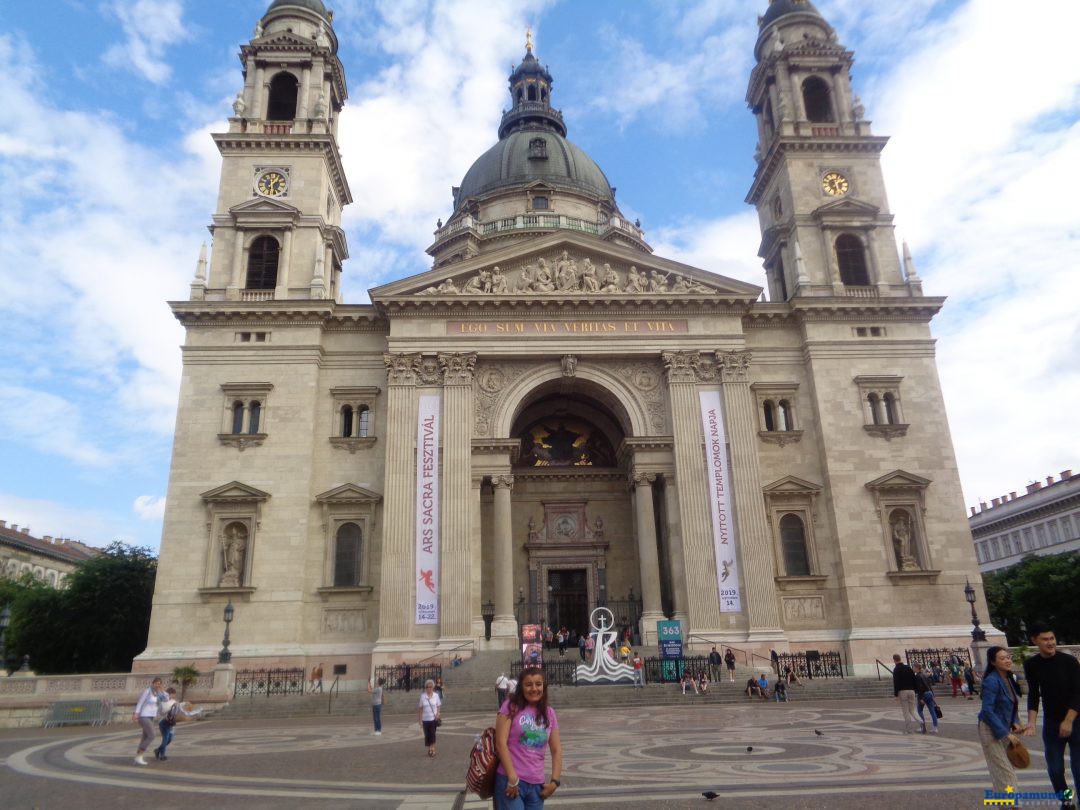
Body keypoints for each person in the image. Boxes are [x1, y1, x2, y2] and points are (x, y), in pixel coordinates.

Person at [1023, 623, 1080, 803]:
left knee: (1079, 768)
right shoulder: (1032, 665)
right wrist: (1031, 722)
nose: (1050, 643)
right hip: (1052, 722)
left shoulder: (1069, 661)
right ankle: (1066, 800)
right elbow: (1033, 694)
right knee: (1055, 769)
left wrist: (1069, 721)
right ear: (1034, 640)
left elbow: (1079, 693)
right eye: (1045, 639)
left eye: (1052, 638)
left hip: (1076, 720)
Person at [495, 666, 562, 809]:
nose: (534, 689)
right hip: (511, 780)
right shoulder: (510, 706)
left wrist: (555, 782)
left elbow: (556, 749)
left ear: (544, 686)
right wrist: (512, 778)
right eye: (528, 684)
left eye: (538, 684)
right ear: (521, 687)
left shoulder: (549, 713)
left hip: (537, 786)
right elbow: (500, 743)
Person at [979, 645, 1025, 794]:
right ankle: (1013, 805)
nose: (1007, 660)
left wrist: (1015, 722)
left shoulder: (1008, 678)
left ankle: (1007, 804)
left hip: (1003, 727)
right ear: (993, 662)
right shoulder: (991, 681)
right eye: (1002, 658)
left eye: (1008, 657)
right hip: (990, 730)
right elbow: (987, 710)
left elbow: (1011, 703)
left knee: (1005, 771)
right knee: (1005, 772)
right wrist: (1006, 733)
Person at [153, 687, 201, 761]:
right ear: (169, 694)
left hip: (171, 722)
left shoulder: (173, 701)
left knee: (170, 739)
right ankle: (162, 755)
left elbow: (180, 708)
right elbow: (161, 712)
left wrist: (185, 704)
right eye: (173, 694)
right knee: (165, 738)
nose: (173, 696)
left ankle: (158, 750)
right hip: (163, 722)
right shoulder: (163, 702)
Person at [132, 677, 164, 765]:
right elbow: (140, 702)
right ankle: (139, 754)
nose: (158, 685)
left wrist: (161, 691)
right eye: (156, 683)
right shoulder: (148, 691)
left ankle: (138, 757)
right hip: (144, 715)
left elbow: (165, 699)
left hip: (151, 717)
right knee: (152, 735)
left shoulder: (158, 693)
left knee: (145, 737)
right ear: (153, 683)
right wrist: (136, 713)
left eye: (159, 683)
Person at [892, 654, 919, 734]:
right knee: (913, 709)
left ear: (894, 660)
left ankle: (909, 729)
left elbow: (896, 682)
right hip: (912, 691)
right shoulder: (908, 667)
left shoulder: (896, 669)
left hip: (903, 692)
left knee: (906, 711)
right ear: (900, 659)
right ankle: (921, 721)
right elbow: (914, 679)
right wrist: (915, 690)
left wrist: (896, 694)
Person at [418, 678, 442, 757]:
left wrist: (437, 714)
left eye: (430, 687)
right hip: (425, 719)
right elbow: (420, 708)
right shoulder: (423, 696)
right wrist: (420, 720)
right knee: (427, 734)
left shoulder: (436, 695)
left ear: (433, 687)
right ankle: (429, 748)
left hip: (433, 718)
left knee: (432, 734)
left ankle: (433, 748)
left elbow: (438, 705)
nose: (429, 688)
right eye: (427, 687)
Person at [913, 663, 940, 734]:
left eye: (913, 667)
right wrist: (932, 694)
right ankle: (935, 727)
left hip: (923, 695)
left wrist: (921, 698)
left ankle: (922, 727)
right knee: (932, 711)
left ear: (916, 668)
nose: (913, 669)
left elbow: (920, 687)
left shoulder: (917, 676)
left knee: (919, 711)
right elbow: (929, 685)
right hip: (929, 693)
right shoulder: (924, 674)